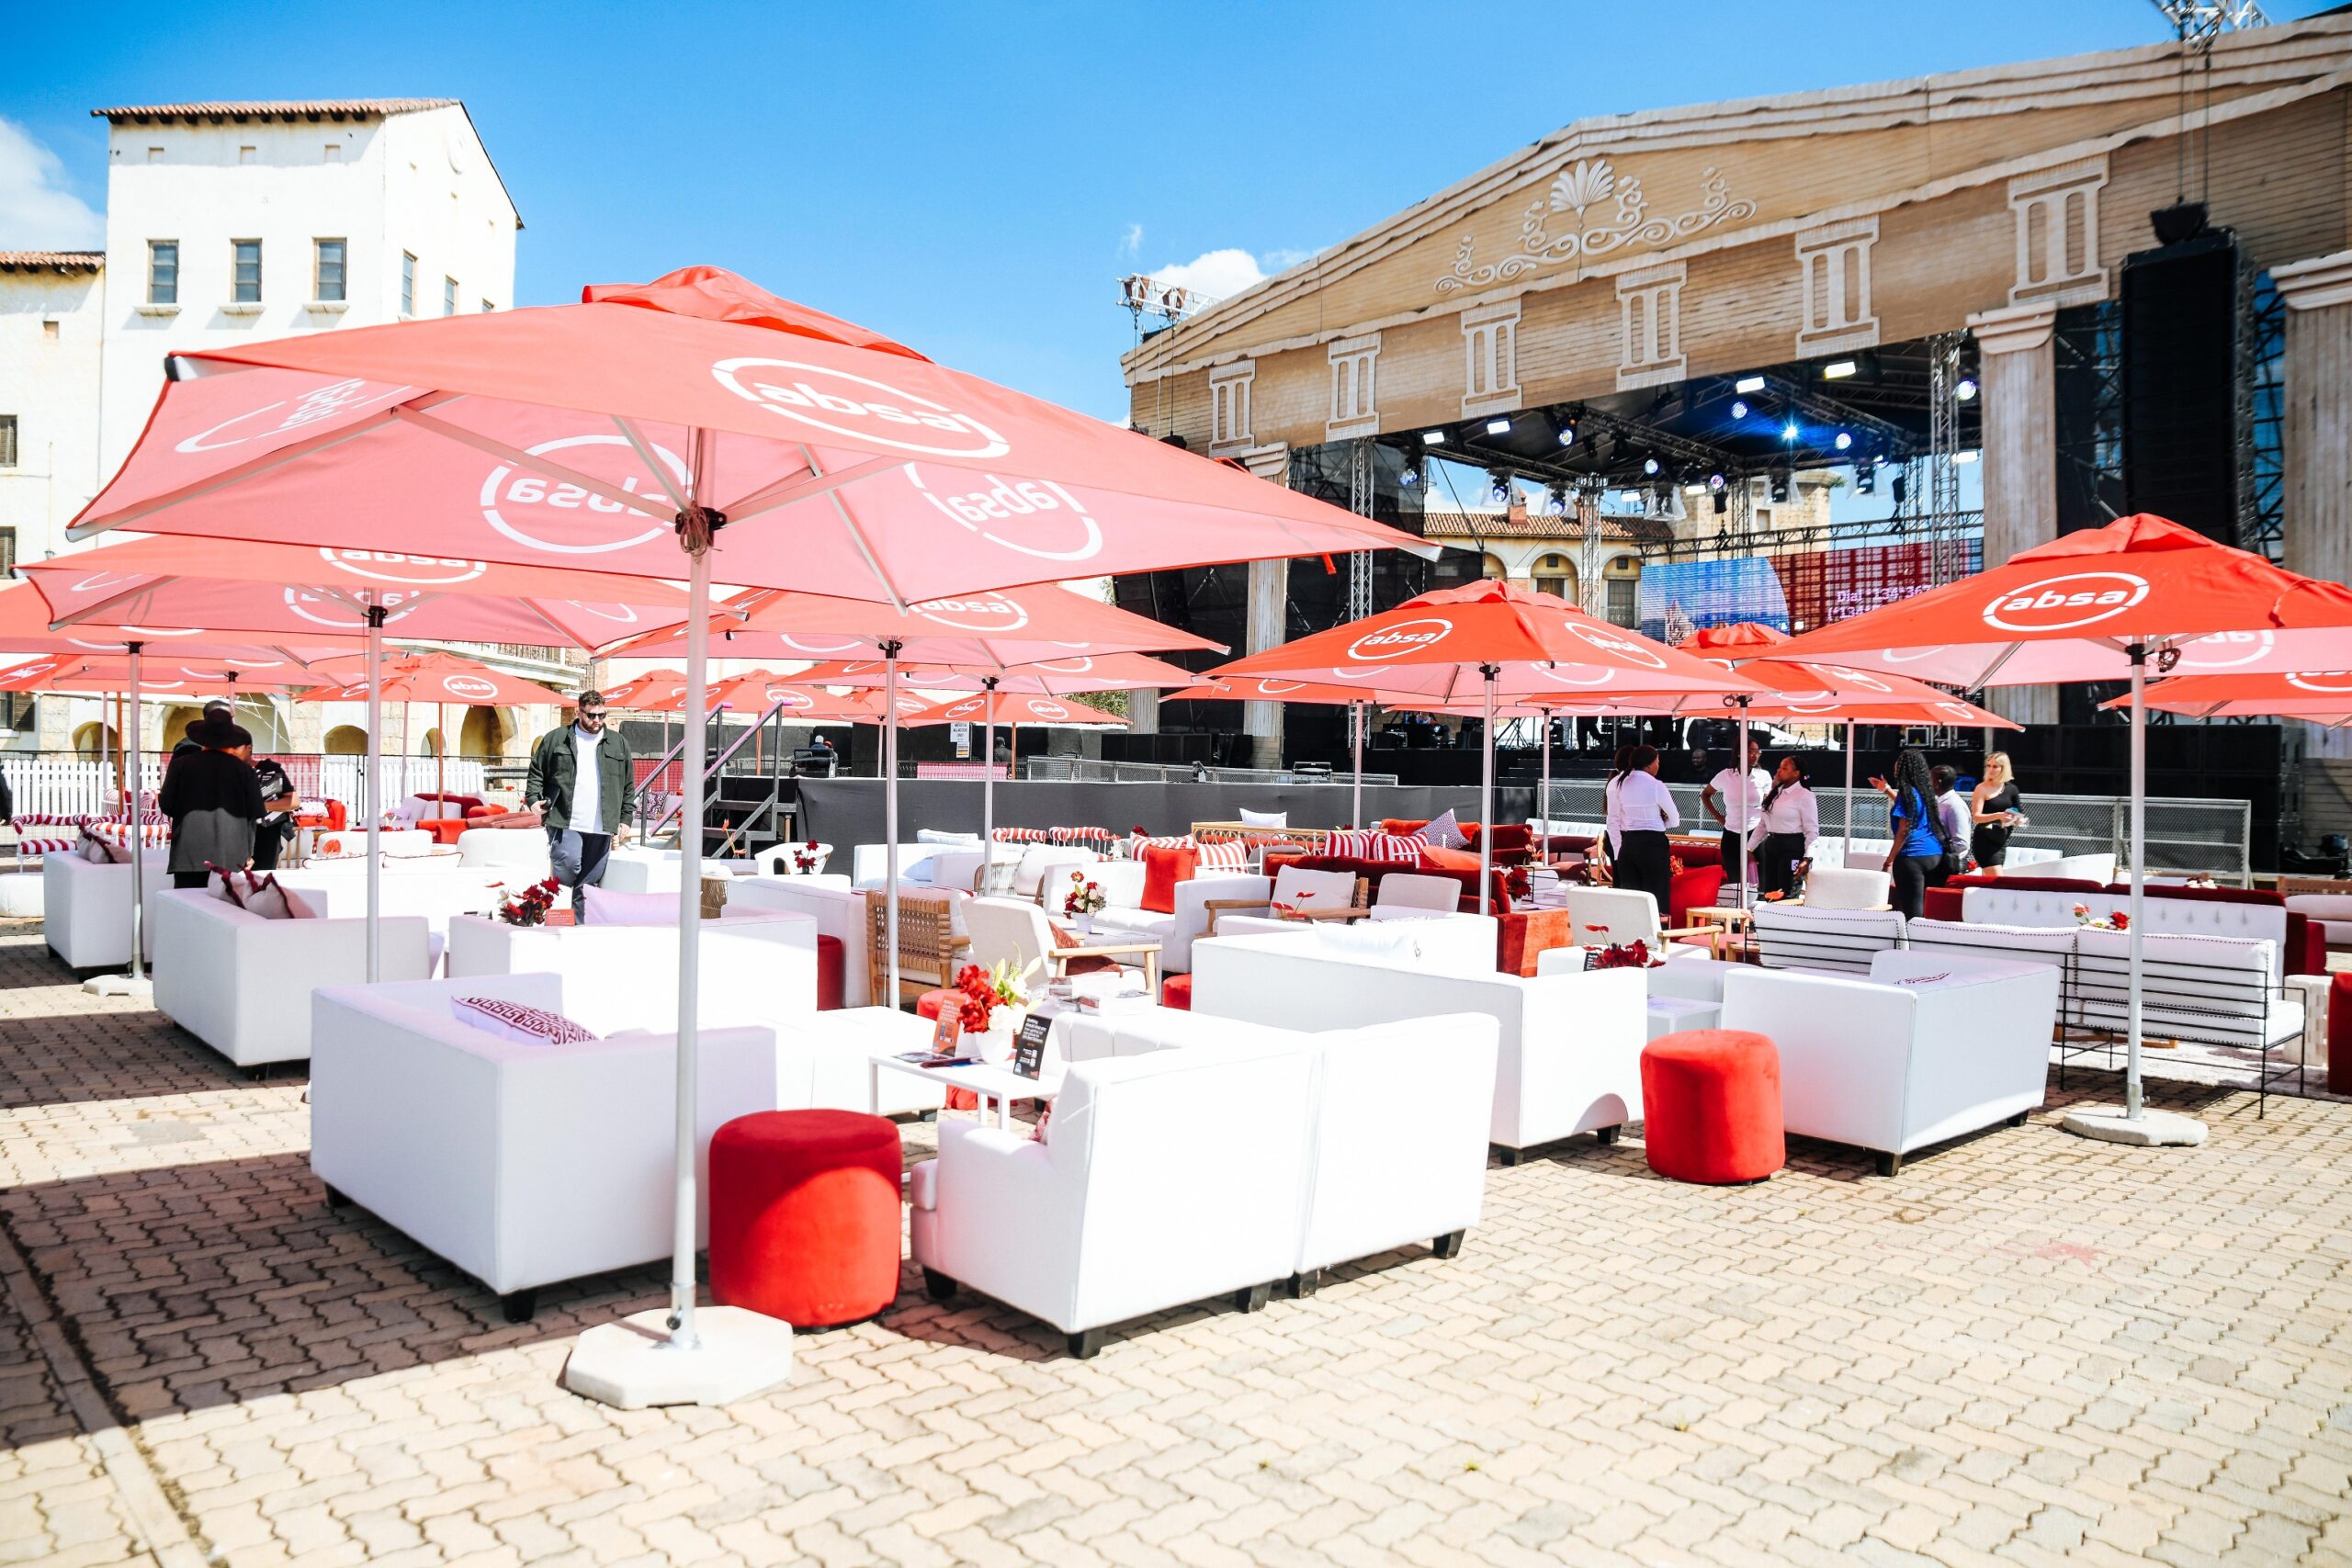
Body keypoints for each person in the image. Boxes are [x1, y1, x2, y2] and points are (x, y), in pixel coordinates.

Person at [525, 690, 636, 896]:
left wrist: (626, 817)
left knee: (588, 885)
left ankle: (578, 917)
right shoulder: (557, 739)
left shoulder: (618, 743)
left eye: (601, 715)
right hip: (565, 820)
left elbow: (628, 784)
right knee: (566, 868)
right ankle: (557, 911)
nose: (597, 720)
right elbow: (537, 771)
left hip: (603, 824)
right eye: (591, 715)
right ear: (579, 712)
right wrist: (532, 799)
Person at [158, 717, 263, 889]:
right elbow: (253, 813)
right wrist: (248, 852)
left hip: (188, 853)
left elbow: (167, 804)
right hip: (231, 856)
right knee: (224, 904)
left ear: (201, 739)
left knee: (187, 903)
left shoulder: (181, 765)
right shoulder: (245, 771)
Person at [1870, 749, 1951, 919]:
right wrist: (1887, 790)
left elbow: (1903, 831)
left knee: (1912, 913)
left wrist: (1889, 861)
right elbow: (1910, 807)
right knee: (1928, 910)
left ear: (1903, 767)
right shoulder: (1924, 791)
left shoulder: (1907, 793)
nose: (1895, 765)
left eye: (1899, 761)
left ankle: (1911, 936)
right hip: (1934, 854)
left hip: (1912, 857)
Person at [1609, 743, 1679, 916]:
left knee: (1632, 901)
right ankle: (1657, 933)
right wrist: (1661, 824)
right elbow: (1675, 820)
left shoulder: (1620, 783)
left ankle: (1631, 932)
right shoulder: (1656, 785)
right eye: (1657, 762)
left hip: (1628, 844)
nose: (1658, 765)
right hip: (1652, 846)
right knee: (1656, 899)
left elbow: (1614, 818)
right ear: (1649, 764)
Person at [1701, 735, 1768, 899]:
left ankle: (1759, 912)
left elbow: (1768, 804)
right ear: (1739, 753)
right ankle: (1737, 915)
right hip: (1731, 833)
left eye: (1757, 751)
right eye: (1750, 751)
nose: (1755, 755)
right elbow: (1706, 794)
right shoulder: (1726, 775)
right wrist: (1719, 817)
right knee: (1735, 882)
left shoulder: (1763, 776)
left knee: (1760, 881)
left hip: (1756, 833)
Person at [1755, 755, 1819, 899]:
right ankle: (1770, 914)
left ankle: (1787, 913)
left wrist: (1807, 858)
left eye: (1784, 768)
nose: (1779, 770)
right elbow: (1763, 824)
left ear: (1796, 773)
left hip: (1792, 846)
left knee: (1787, 889)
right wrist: (1749, 848)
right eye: (1779, 767)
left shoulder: (1805, 795)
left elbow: (1812, 830)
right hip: (1772, 845)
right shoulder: (1776, 793)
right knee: (1770, 891)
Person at [1970, 751, 2024, 874]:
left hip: (2001, 839)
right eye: (1989, 766)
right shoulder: (1981, 788)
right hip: (1985, 839)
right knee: (1998, 880)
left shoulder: (2012, 789)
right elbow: (1976, 817)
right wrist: (1998, 815)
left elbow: (2019, 813)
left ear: (2004, 769)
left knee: (1989, 882)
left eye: (1995, 766)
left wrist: (2017, 820)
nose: (1991, 769)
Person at [250, 760, 300, 872]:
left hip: (266, 834)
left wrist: (259, 805)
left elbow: (294, 802)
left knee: (262, 876)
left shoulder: (269, 769)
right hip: (234, 834)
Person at [1928, 765, 1973, 887]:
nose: (1927, 783)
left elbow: (1961, 843)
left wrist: (1936, 852)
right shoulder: (1940, 802)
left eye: (1930, 779)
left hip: (1947, 868)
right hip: (1936, 865)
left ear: (1938, 782)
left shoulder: (1955, 806)